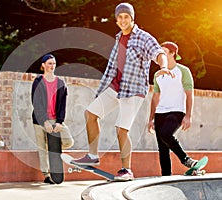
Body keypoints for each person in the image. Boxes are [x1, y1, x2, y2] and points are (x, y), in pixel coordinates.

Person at [72, 2, 174, 181]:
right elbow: (112, 68)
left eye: (126, 16)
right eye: (120, 17)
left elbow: (158, 53)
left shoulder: (143, 37)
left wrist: (163, 67)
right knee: (90, 114)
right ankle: (93, 155)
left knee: (121, 129)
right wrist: (102, 90)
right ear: (116, 20)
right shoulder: (119, 38)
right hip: (115, 87)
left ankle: (127, 169)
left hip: (134, 90)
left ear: (132, 18)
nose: (123, 20)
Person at [148, 41, 197, 176]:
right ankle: (166, 178)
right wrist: (151, 119)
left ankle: (185, 159)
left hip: (176, 111)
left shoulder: (183, 71)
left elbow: (189, 94)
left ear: (172, 53)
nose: (160, 55)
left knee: (165, 134)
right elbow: (155, 98)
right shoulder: (158, 74)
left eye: (163, 52)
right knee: (162, 149)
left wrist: (188, 116)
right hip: (160, 113)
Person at [31, 53, 74, 184]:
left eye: (54, 63)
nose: (52, 66)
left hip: (55, 120)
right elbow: (36, 102)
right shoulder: (38, 82)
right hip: (39, 120)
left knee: (68, 141)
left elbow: (63, 104)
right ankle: (46, 175)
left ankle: (53, 147)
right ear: (43, 65)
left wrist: (60, 122)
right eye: (49, 63)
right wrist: (44, 121)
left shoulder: (60, 82)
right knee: (42, 148)